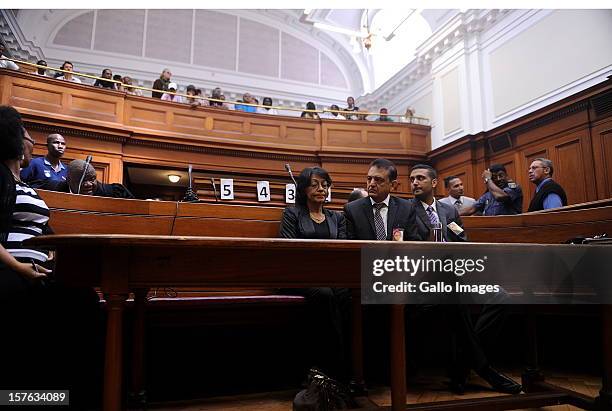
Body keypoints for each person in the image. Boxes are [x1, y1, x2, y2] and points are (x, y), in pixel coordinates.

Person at [408, 164, 521, 395]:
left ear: (434, 182)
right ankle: (483, 369)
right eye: (412, 179)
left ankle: (463, 365)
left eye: (420, 178)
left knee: (501, 296)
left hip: (458, 274)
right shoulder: (406, 210)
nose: (415, 183)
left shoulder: (448, 212)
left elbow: (462, 240)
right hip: (424, 280)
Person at [278, 166, 350, 381]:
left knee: (347, 296)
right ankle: (331, 368)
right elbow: (289, 249)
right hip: (300, 277)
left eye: (325, 185)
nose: (321, 189)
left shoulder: (337, 217)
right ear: (303, 189)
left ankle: (344, 365)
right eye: (315, 184)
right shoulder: (292, 213)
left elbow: (344, 248)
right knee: (325, 295)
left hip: (332, 276)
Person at [343, 158, 420, 241]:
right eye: (369, 179)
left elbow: (413, 242)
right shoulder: (352, 209)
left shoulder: (406, 208)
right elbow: (350, 245)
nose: (371, 184)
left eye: (378, 180)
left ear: (393, 185)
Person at [42, 159, 134, 199]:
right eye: (82, 180)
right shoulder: (51, 189)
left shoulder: (115, 192)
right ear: (68, 180)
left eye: (92, 179)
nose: (88, 184)